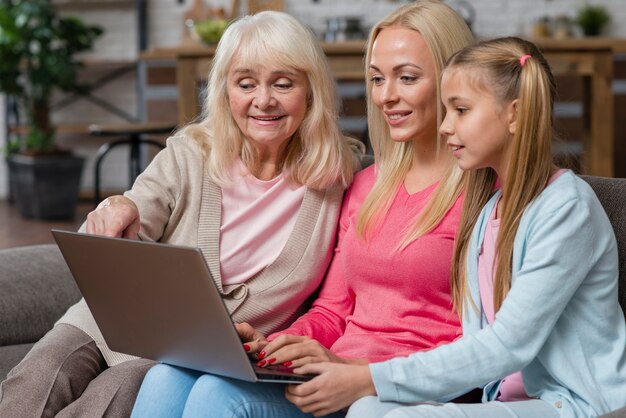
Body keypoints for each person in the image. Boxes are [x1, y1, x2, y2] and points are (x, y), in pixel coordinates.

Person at [0, 11, 360, 418]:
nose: (263, 100)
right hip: (111, 318)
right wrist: (119, 207)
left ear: (311, 92)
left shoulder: (342, 181)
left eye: (283, 83)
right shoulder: (191, 152)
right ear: (225, 91)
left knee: (116, 394)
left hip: (187, 356)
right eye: (246, 84)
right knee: (36, 376)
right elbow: (128, 215)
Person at [130, 2, 475, 417]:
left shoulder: (485, 196)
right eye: (377, 79)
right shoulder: (367, 186)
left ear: (454, 81)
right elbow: (332, 310)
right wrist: (277, 345)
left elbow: (489, 341)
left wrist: (362, 372)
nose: (386, 96)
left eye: (407, 78)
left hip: (398, 388)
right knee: (165, 376)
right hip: (327, 375)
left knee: (218, 397)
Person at [304, 37, 626, 418]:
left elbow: (508, 345)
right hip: (509, 401)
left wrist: (369, 378)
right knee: (368, 409)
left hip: (576, 404)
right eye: (445, 110)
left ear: (515, 114)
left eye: (460, 110)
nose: (443, 127)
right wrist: (361, 373)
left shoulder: (567, 209)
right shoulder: (489, 210)